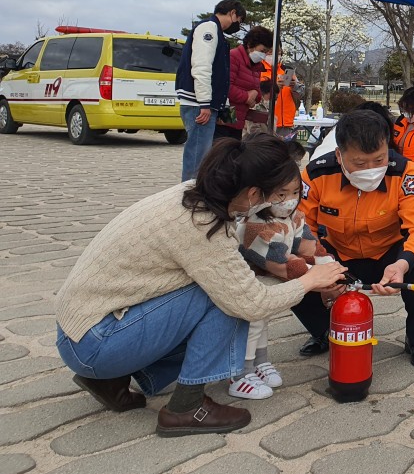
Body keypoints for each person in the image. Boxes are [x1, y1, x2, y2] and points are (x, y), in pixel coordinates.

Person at [53, 135, 346, 436]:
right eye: (274, 196)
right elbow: (251, 302)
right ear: (254, 192)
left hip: (82, 330)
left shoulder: (193, 194)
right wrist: (310, 281)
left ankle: (110, 380)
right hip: (95, 343)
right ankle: (186, 407)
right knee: (225, 298)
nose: (278, 203)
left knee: (226, 284)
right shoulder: (203, 225)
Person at [299, 110, 414, 369]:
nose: (371, 170)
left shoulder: (406, 174)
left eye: (379, 160)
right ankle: (324, 332)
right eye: (360, 164)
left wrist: (402, 265)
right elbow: (301, 230)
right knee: (293, 269)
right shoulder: (316, 175)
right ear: (339, 156)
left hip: (388, 253)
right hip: (337, 254)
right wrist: (320, 267)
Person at [230, 169, 333, 399]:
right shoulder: (253, 226)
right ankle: (238, 374)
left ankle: (260, 362)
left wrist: (331, 266)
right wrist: (319, 276)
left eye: (295, 192)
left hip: (267, 285)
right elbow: (281, 263)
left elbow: (308, 246)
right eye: (281, 194)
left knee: (263, 322)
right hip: (247, 284)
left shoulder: (293, 217)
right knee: (252, 324)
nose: (289, 200)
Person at [175, 0, 246, 181]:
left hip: (202, 101)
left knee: (202, 154)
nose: (238, 25)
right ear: (232, 13)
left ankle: (193, 190)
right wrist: (205, 103)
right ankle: (189, 193)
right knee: (198, 155)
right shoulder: (209, 29)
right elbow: (202, 67)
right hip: (198, 102)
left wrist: (221, 106)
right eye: (239, 20)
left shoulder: (216, 32)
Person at [216, 26, 274, 142]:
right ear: (250, 45)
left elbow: (257, 93)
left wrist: (255, 95)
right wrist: (246, 97)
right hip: (226, 115)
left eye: (266, 52)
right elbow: (225, 87)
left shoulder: (256, 66)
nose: (263, 55)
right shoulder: (233, 57)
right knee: (223, 151)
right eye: (262, 51)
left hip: (240, 118)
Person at [260, 52, 304, 131]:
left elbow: (301, 94)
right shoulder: (259, 70)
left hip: (287, 122)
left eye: (279, 52)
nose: (275, 54)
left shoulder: (288, 70)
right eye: (270, 51)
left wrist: (294, 86)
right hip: (265, 122)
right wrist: (273, 86)